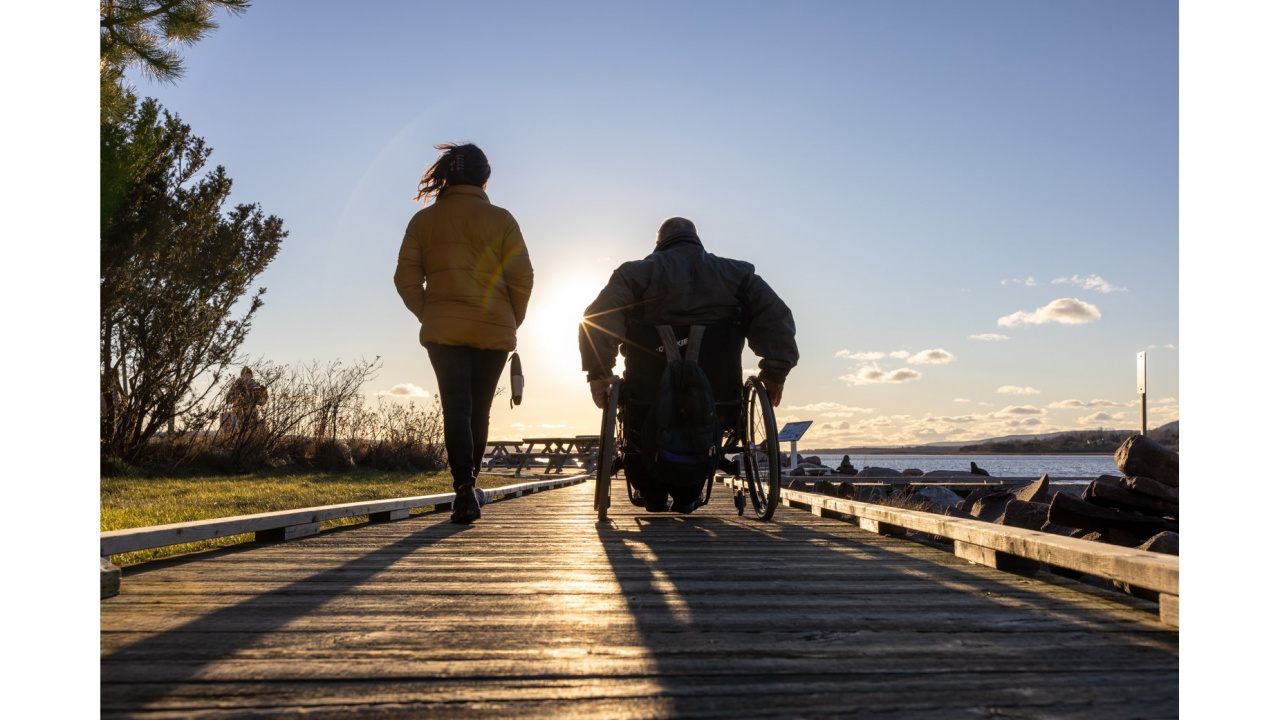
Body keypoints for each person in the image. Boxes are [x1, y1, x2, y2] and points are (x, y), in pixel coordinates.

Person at [578, 216, 798, 513]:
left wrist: (599, 372)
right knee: (705, 424)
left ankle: (653, 494)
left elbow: (596, 321)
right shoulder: (738, 275)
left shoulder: (634, 274)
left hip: (647, 396)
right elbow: (777, 320)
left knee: (638, 424)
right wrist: (775, 372)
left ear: (658, 244)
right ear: (697, 240)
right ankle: (687, 494)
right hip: (718, 399)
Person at [395, 142, 534, 525]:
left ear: (447, 177)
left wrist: (433, 314)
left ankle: (462, 488)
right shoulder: (502, 219)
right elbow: (522, 277)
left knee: (456, 409)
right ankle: (469, 488)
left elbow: (404, 279)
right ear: (485, 178)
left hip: (443, 330)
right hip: (495, 328)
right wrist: (511, 319)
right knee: (480, 409)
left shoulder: (423, 222)